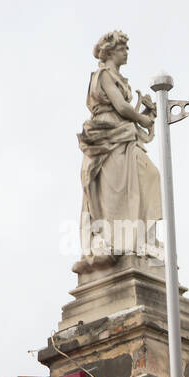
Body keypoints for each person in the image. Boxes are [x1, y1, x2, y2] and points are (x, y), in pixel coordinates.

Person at [76, 30, 161, 269]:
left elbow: (126, 111)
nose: (127, 52)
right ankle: (115, 240)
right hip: (108, 136)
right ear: (111, 52)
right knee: (114, 192)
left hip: (126, 135)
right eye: (123, 48)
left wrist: (143, 117)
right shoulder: (103, 75)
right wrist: (142, 120)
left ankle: (144, 239)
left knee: (149, 177)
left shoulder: (121, 79)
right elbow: (122, 107)